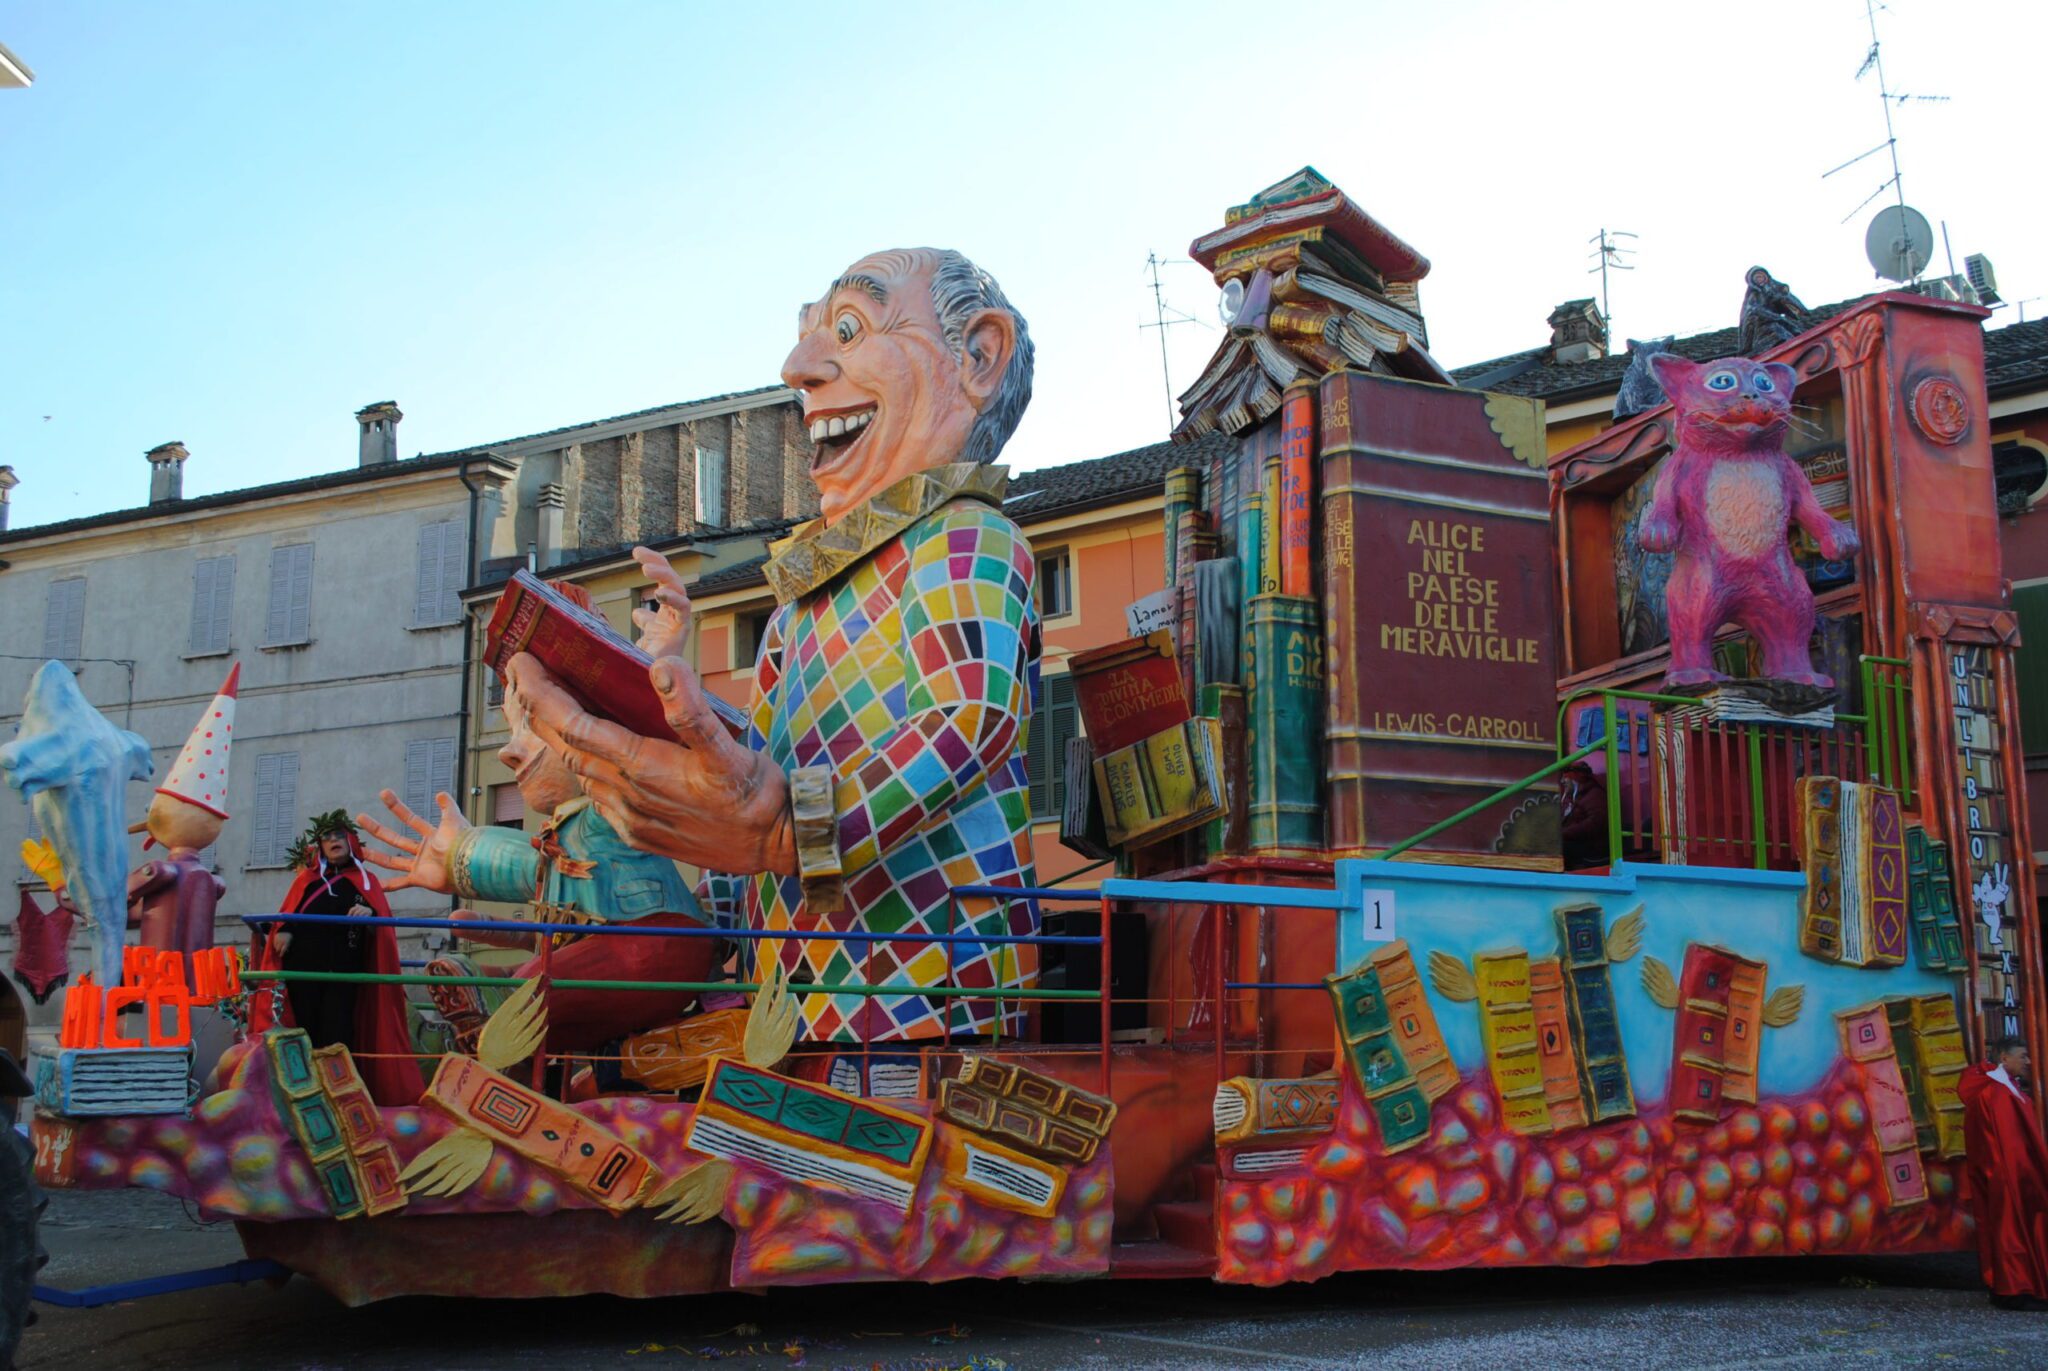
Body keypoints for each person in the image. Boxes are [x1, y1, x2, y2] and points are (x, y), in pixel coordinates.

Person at [508, 247, 1042, 1045]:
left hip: (926, 1000)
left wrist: (791, 827)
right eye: (807, 334)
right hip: (782, 1009)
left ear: (978, 356)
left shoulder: (964, 539)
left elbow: (968, 719)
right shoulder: (798, 608)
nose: (799, 366)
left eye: (850, 328)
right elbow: (762, 764)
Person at [356, 635, 714, 1055]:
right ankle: (485, 1014)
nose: (509, 751)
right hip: (597, 951)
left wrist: (461, 852)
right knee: (545, 1017)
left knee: (536, 984)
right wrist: (452, 860)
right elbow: (535, 869)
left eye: (528, 727)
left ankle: (483, 1016)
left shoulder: (614, 800)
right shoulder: (565, 826)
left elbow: (641, 745)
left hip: (658, 943)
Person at [250, 811, 422, 1106]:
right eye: (327, 838)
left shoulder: (366, 882)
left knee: (337, 1034)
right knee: (303, 1033)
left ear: (351, 841)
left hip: (343, 972)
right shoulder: (307, 879)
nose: (333, 841)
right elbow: (292, 913)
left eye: (339, 836)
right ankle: (304, 1099)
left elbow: (381, 926)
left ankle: (340, 1099)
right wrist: (285, 929)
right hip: (301, 971)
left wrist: (370, 914)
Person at [1959, 1036, 2048, 1310]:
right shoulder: (1997, 1094)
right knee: (2013, 1232)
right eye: (2022, 1056)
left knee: (2014, 1231)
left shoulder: (2003, 1089)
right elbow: (2006, 1145)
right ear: (2004, 1059)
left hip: (2011, 1175)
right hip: (2009, 1177)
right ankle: (2014, 1289)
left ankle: (2016, 1287)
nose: (2027, 1062)